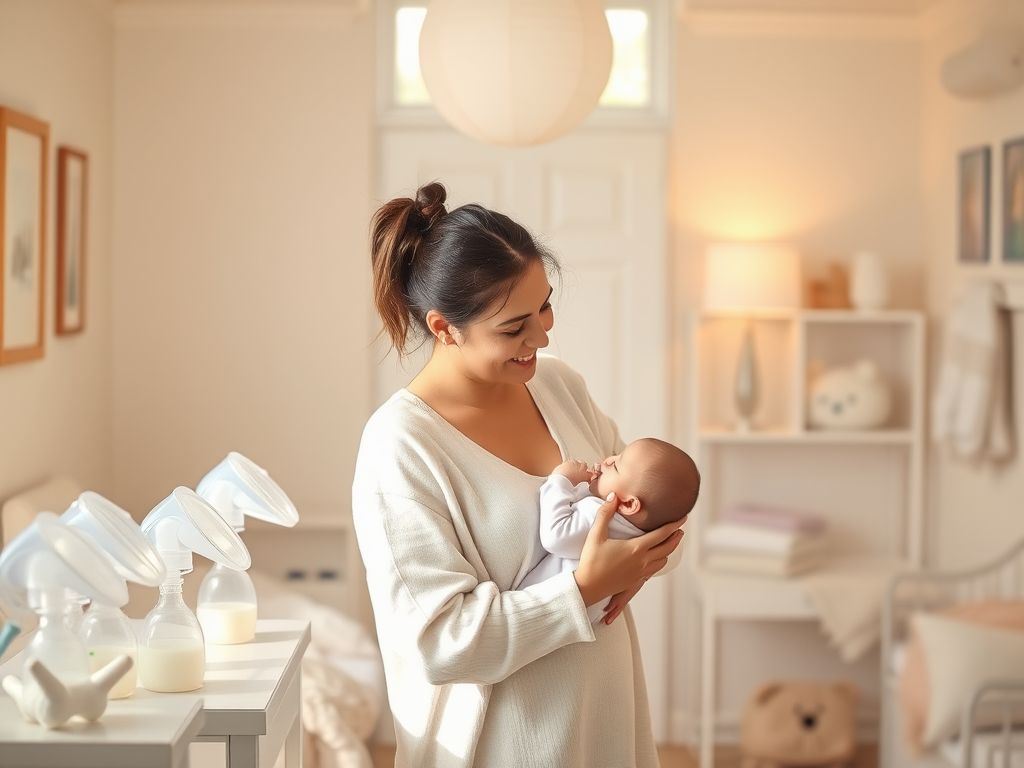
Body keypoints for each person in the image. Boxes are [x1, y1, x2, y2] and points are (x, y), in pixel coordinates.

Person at [352, 181, 685, 767]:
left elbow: (655, 502)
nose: (542, 335)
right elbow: (442, 642)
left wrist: (644, 558)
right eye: (513, 327)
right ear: (443, 328)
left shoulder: (557, 385)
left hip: (604, 726)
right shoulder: (401, 445)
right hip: (501, 747)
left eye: (545, 306)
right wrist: (584, 588)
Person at [518, 439, 699, 623]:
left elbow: (555, 537)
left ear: (629, 504)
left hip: (535, 616)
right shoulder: (641, 532)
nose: (607, 460)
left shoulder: (599, 515)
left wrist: (560, 480)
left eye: (616, 466)